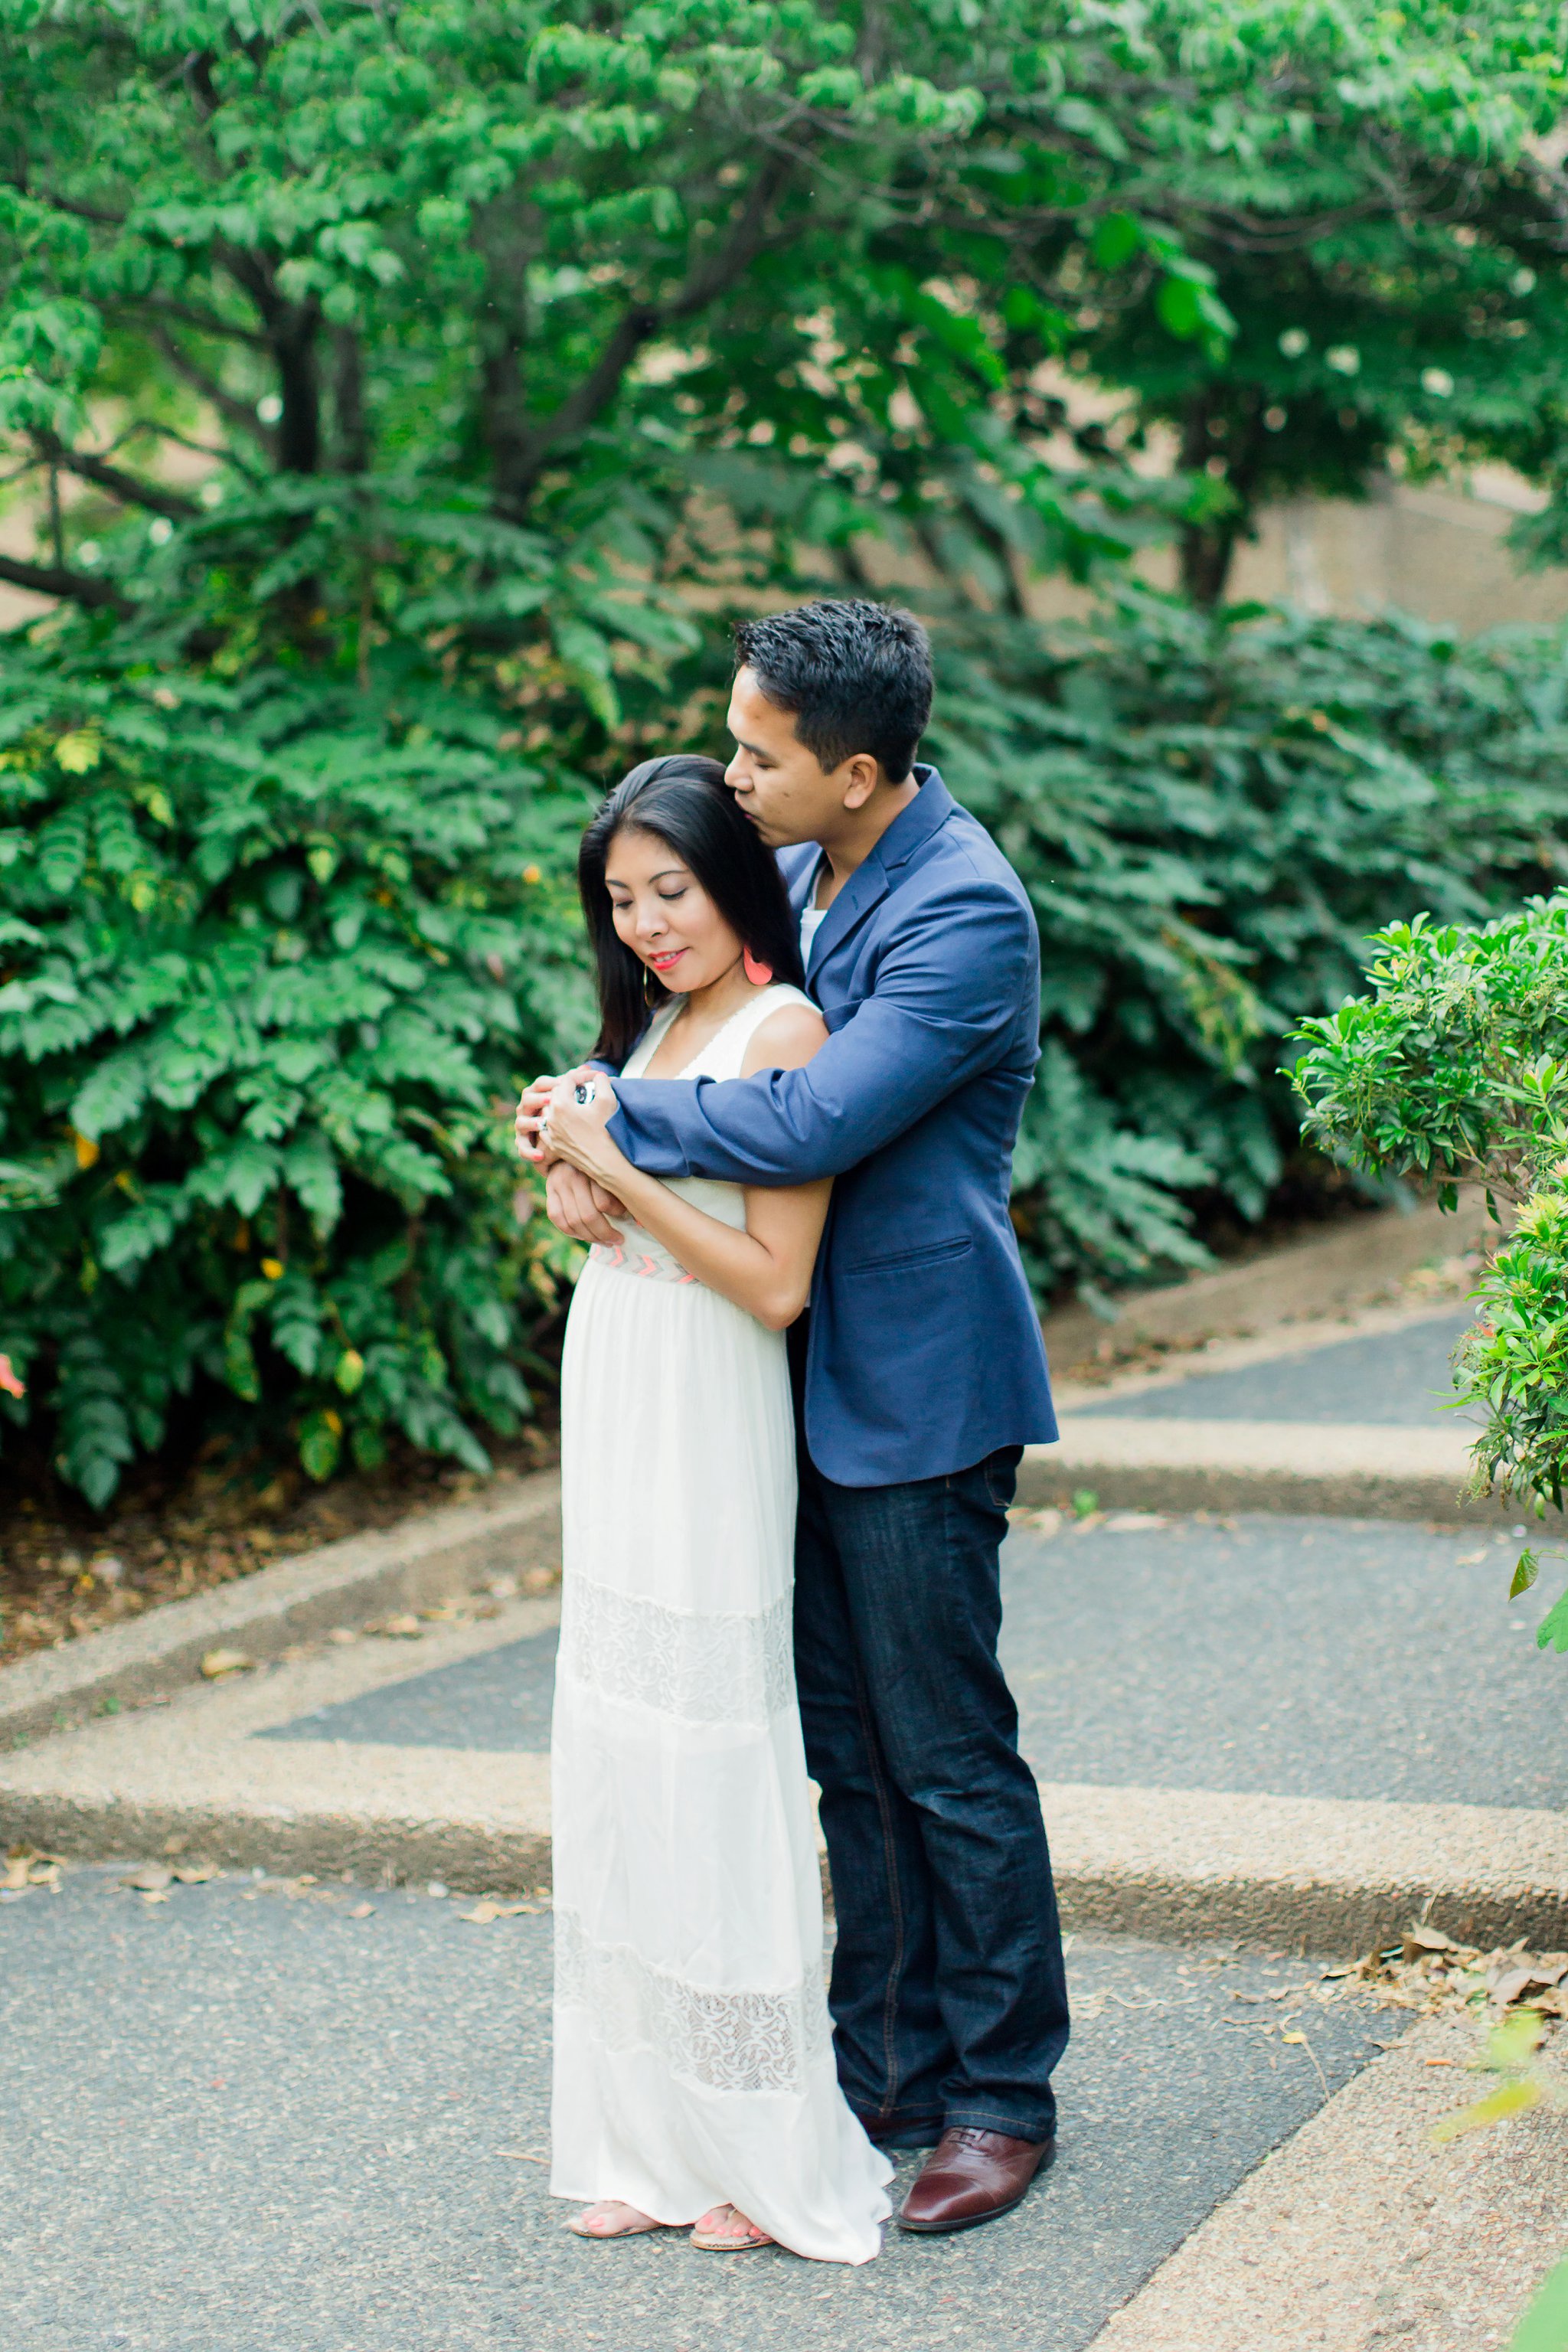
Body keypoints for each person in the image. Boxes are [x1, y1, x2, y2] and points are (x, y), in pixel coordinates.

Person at [522, 600, 1071, 2237]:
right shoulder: (821, 865)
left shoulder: (964, 909)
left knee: (945, 1754)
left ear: (852, 768)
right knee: (843, 1755)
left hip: (913, 1383)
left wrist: (604, 1108)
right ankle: (882, 2068)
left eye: (757, 753)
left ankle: (998, 2098)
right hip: (777, 1389)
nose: (732, 770)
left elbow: (817, 1107)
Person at [537, 753, 893, 2262]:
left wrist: (614, 1156)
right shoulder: (658, 1024)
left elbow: (770, 1282)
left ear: (733, 884)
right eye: (619, 904)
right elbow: (636, 1219)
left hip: (708, 1396)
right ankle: (642, 2132)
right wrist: (572, 1185)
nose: (644, 927)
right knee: (619, 1745)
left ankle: (758, 2142)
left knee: (711, 1748)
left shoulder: (777, 1028)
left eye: (668, 892)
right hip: (617, 1372)